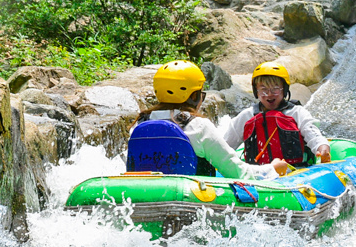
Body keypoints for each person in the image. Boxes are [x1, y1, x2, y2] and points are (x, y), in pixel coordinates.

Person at [137, 61, 288, 179]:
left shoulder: (141, 122)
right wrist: (271, 169)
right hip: (192, 199)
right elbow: (238, 172)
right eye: (201, 94)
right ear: (194, 97)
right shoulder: (197, 126)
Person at [222, 62, 331, 166]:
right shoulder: (246, 116)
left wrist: (322, 147)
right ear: (256, 92)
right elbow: (224, 146)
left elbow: (312, 133)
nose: (269, 95)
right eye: (263, 90)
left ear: (285, 90)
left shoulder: (297, 112)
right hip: (259, 174)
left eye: (275, 89)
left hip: (296, 170)